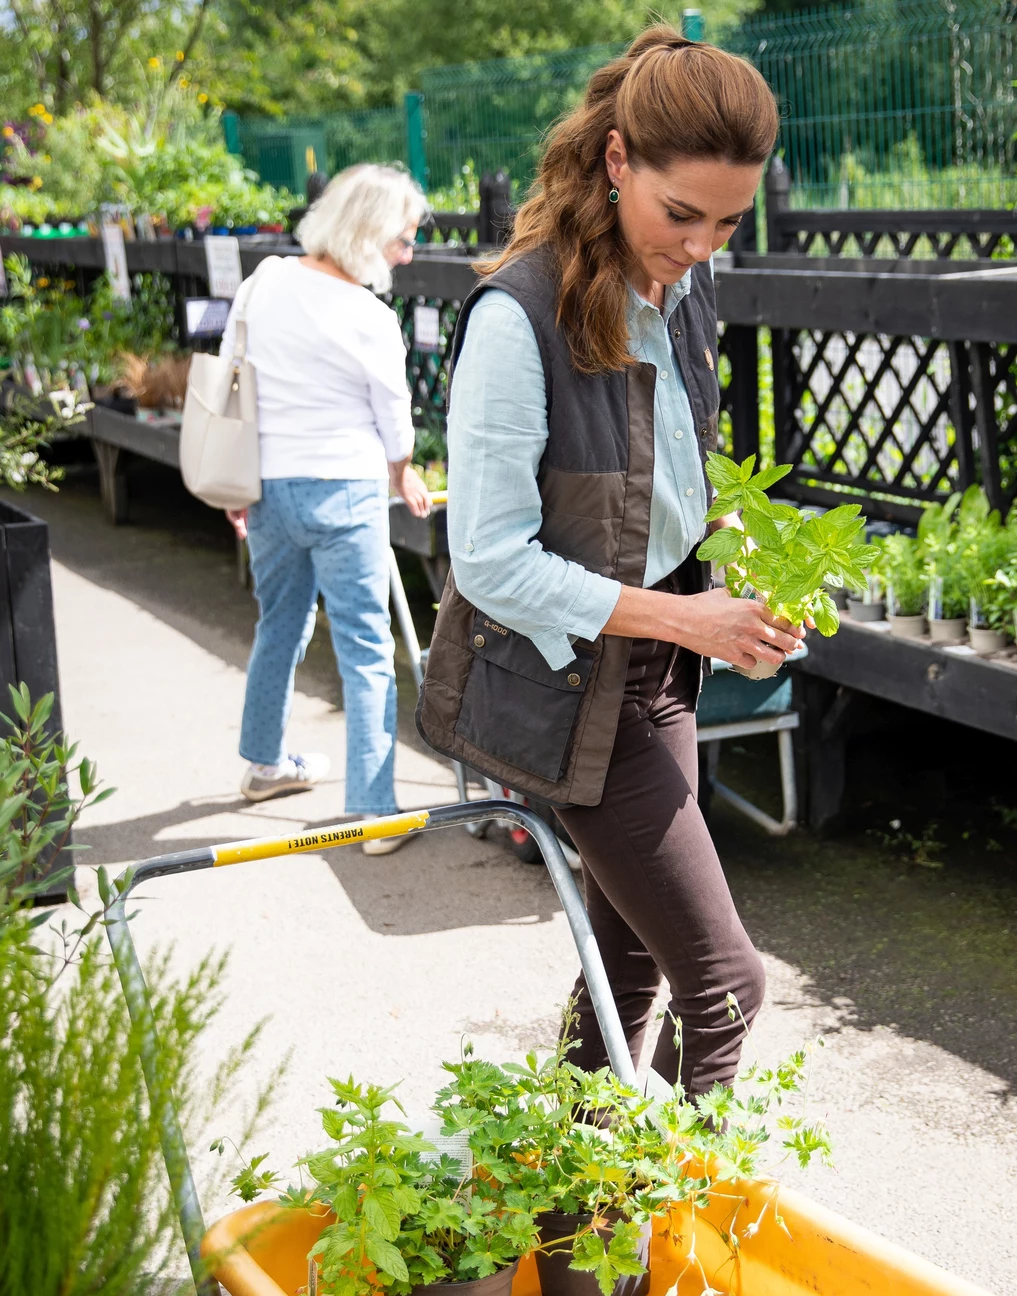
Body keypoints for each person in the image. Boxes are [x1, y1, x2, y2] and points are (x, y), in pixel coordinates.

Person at [419, 26, 801, 1090]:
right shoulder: (517, 318)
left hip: (659, 680)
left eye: (728, 221)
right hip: (574, 691)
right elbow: (488, 564)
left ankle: (576, 1243)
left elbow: (668, 493)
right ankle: (677, 1237)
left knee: (626, 965)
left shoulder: (681, 290)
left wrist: (734, 588)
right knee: (725, 984)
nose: (702, 245)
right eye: (682, 215)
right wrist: (688, 620)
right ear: (617, 158)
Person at [224, 164, 432, 856]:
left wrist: (235, 484)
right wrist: (403, 474)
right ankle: (374, 813)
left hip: (267, 489)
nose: (407, 254)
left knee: (278, 624)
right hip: (346, 487)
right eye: (402, 239)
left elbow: (230, 379)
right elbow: (394, 422)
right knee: (367, 649)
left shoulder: (264, 281)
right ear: (368, 235)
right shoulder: (370, 318)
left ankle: (264, 765)